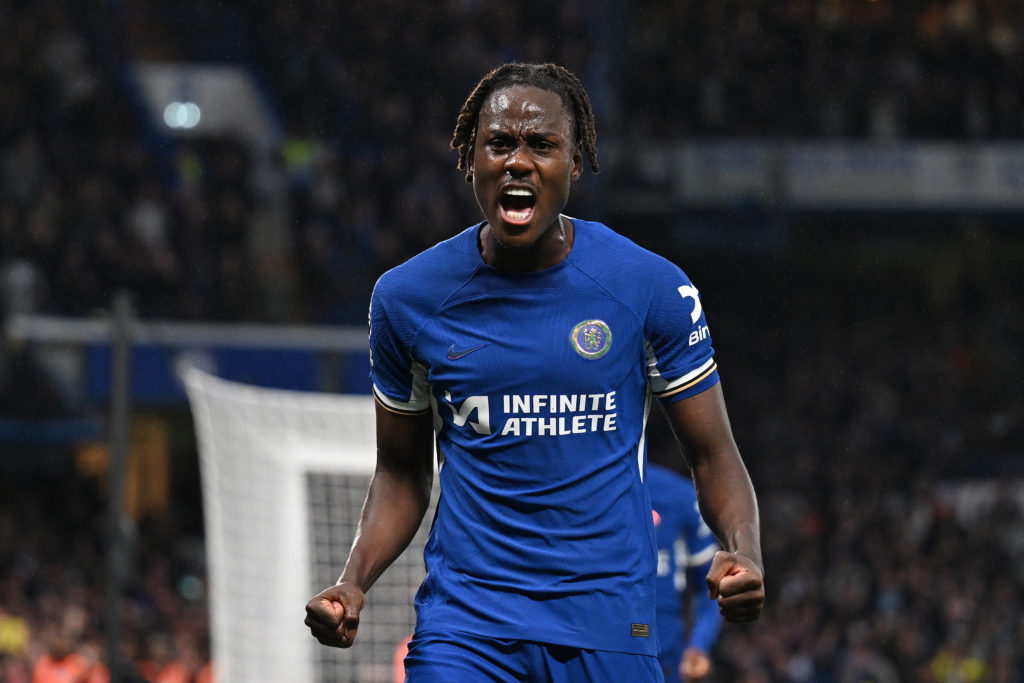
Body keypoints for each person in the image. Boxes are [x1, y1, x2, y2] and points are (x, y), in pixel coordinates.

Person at [305, 62, 764, 681]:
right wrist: (352, 581)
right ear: (470, 159)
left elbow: (711, 454)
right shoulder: (407, 300)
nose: (518, 161)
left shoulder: (649, 287)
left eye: (542, 145)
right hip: (467, 627)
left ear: (577, 164)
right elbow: (400, 471)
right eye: (499, 143)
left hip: (610, 624)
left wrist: (743, 551)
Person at [648, 459, 723, 682]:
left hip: (668, 664)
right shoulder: (575, 493)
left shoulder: (678, 496)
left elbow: (712, 586)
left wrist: (699, 645)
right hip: (597, 658)